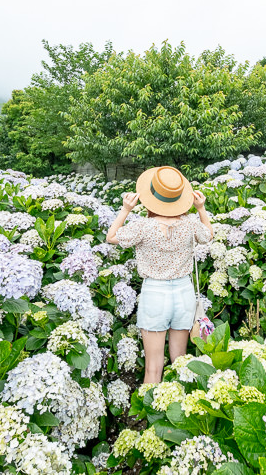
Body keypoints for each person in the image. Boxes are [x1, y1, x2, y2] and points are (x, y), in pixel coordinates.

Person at [106, 165, 214, 384]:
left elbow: (112, 237)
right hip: (184, 293)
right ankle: (181, 411)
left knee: (153, 369)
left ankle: (153, 415)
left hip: (155, 294)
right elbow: (208, 235)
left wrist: (126, 209)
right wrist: (201, 208)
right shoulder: (189, 225)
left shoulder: (143, 227)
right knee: (180, 363)